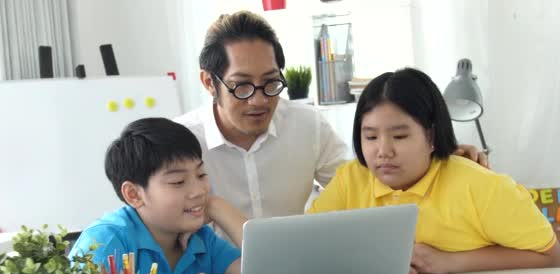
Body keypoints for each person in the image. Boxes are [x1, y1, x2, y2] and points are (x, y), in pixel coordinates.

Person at [175, 11, 488, 224]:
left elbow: (368, 182)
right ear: (208, 82)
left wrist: (442, 159)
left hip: (298, 273)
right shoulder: (181, 142)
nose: (259, 99)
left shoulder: (306, 125)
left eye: (271, 82)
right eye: (242, 85)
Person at [308, 67, 560, 274]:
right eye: (371, 136)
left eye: (399, 136)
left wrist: (449, 262)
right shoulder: (350, 180)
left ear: (430, 136)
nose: (383, 151)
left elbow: (551, 255)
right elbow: (307, 247)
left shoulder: (481, 186)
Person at [68, 118, 247, 274]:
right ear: (134, 195)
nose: (198, 191)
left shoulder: (201, 239)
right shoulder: (107, 238)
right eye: (178, 182)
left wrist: (219, 207)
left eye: (201, 175)